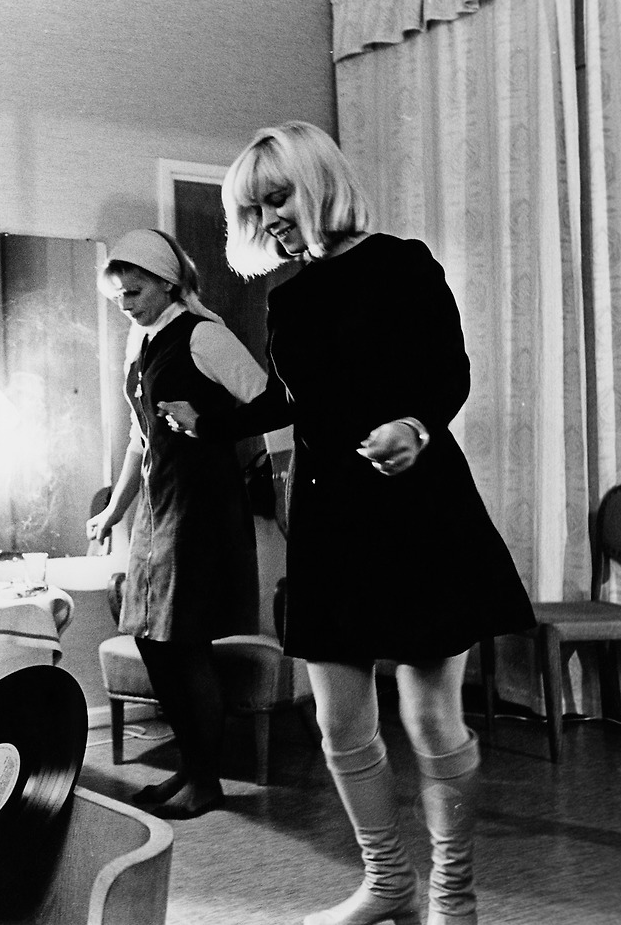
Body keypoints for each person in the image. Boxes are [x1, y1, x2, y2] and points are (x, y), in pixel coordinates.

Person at [161, 121, 534, 925]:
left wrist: (416, 425)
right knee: (339, 722)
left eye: (278, 198)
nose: (270, 219)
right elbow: (289, 400)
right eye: (255, 209)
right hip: (330, 520)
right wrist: (211, 422)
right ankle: (388, 883)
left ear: (319, 182)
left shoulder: (402, 263)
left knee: (429, 716)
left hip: (419, 510)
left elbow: (449, 370)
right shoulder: (288, 297)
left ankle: (453, 895)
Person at [85, 228, 267, 819]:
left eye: (135, 291)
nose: (125, 304)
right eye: (119, 295)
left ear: (167, 282)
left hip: (202, 505)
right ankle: (192, 768)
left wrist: (210, 424)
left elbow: (268, 402)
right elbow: (141, 438)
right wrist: (114, 509)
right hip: (158, 505)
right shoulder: (141, 342)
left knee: (182, 642)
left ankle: (206, 781)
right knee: (153, 640)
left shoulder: (203, 335)